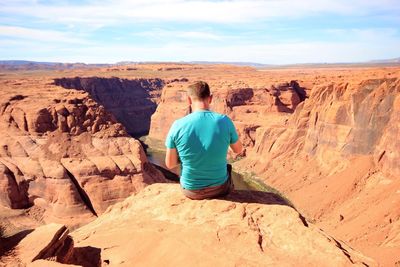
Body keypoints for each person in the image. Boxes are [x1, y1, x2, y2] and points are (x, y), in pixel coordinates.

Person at [164, 81, 242, 200]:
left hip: (190, 191)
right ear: (210, 99)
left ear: (189, 100)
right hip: (220, 189)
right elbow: (238, 150)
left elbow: (170, 164)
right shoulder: (224, 121)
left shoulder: (177, 125)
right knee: (227, 168)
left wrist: (186, 156)